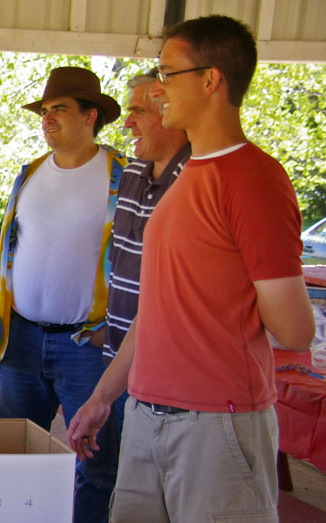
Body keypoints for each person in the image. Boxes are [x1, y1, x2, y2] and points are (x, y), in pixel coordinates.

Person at [67, 15, 315, 523]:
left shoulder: (253, 178)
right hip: (150, 415)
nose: (155, 91)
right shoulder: (187, 178)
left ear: (210, 80)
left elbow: (295, 329)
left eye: (167, 76)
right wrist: (103, 398)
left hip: (219, 427)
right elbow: (157, 309)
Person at [0, 66, 126, 523]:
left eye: (59, 109)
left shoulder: (124, 177)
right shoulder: (31, 172)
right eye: (44, 110)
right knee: (15, 451)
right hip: (22, 339)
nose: (47, 119)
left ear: (91, 116)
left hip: (90, 343)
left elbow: (137, 264)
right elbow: (4, 246)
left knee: (96, 461)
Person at [104, 71, 190, 432]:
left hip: (168, 378)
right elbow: (120, 260)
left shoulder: (196, 179)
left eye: (138, 112)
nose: (127, 123)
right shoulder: (132, 172)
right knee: (104, 473)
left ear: (170, 113)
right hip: (115, 359)